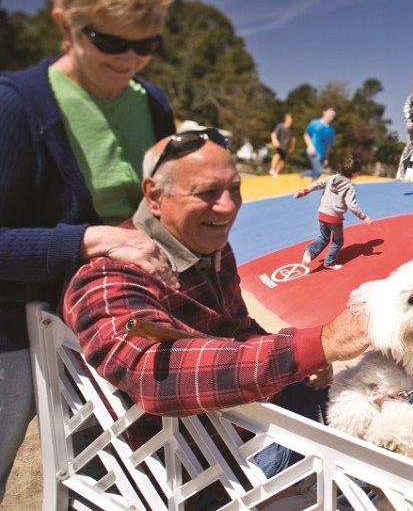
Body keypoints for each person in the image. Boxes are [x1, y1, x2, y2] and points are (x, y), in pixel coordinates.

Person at [60, 131, 371, 489]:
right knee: (374, 476)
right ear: (155, 196)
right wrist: (318, 343)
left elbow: (236, 328)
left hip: (248, 420)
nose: (228, 207)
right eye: (207, 193)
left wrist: (306, 358)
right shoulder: (108, 274)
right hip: (207, 464)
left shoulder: (208, 245)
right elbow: (153, 370)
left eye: (234, 189)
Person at [0, 0, 175, 502]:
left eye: (146, 45)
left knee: (105, 472)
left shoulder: (152, 102)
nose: (129, 60)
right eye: (110, 42)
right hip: (12, 327)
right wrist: (87, 239)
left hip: (112, 321)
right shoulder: (16, 108)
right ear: (64, 25)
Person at [295, 157, 373, 271]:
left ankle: (309, 252)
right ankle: (329, 262)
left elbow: (317, 184)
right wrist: (364, 217)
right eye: (358, 172)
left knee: (324, 237)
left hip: (322, 213)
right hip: (334, 218)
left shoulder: (332, 178)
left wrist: (305, 191)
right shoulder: (349, 187)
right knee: (338, 241)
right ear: (353, 173)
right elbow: (352, 206)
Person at [303, 107, 336, 180]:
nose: (332, 115)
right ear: (324, 112)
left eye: (333, 114)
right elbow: (306, 135)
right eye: (330, 112)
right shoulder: (314, 123)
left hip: (322, 155)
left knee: (317, 173)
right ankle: (311, 184)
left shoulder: (331, 130)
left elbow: (328, 145)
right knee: (319, 171)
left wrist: (326, 158)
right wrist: (310, 146)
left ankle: (303, 174)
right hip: (313, 151)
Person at [270, 112, 295, 176]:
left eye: (291, 119)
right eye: (288, 118)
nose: (290, 120)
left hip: (285, 147)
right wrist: (275, 140)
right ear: (285, 119)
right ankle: (272, 170)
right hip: (279, 145)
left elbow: (293, 139)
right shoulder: (280, 126)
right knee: (277, 155)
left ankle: (276, 172)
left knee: (282, 161)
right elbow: (273, 134)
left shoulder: (291, 130)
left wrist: (292, 147)